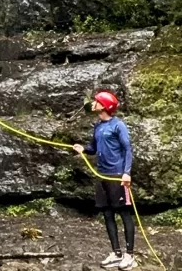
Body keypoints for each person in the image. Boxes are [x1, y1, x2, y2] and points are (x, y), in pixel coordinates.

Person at [73, 91, 136, 270]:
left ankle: (129, 256)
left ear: (105, 106)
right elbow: (93, 148)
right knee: (107, 213)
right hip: (101, 175)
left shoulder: (119, 126)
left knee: (124, 213)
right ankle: (116, 253)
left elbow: (127, 149)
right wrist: (83, 149)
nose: (94, 103)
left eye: (97, 101)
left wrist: (127, 173)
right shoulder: (98, 126)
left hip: (116, 176)